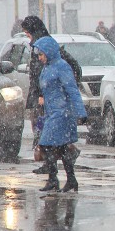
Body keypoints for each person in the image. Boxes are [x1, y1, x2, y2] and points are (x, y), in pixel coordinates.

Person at [21, 16, 81, 174]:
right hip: (44, 99)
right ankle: (54, 167)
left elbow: (48, 72)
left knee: (47, 135)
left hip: (48, 101)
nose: (27, 36)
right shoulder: (40, 44)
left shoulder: (46, 46)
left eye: (27, 33)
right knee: (48, 135)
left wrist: (46, 93)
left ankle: (54, 166)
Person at [33, 35, 87, 192]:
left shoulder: (62, 67)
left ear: (49, 52)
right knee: (62, 148)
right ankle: (70, 180)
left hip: (62, 113)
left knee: (47, 144)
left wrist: (81, 112)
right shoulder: (47, 67)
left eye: (41, 55)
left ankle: (53, 179)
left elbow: (72, 90)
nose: (40, 58)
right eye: (39, 55)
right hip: (52, 113)